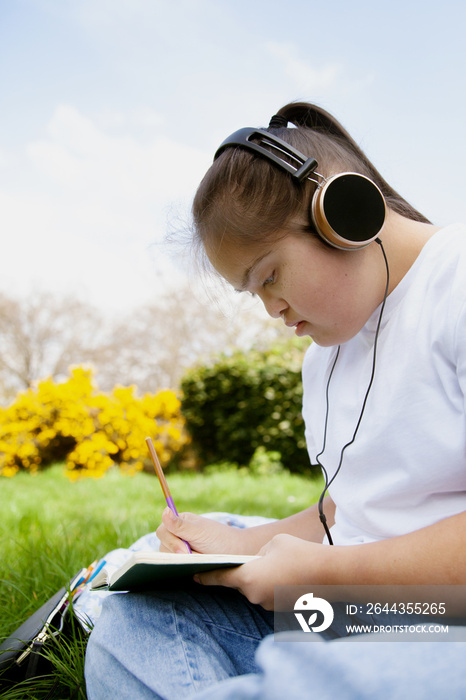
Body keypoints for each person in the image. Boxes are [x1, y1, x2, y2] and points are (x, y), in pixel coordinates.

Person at [84, 102, 466, 699]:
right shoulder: (328, 353)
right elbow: (344, 513)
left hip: (436, 616)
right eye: (251, 292)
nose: (271, 310)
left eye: (269, 276)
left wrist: (327, 575)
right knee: (131, 628)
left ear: (344, 213)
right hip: (351, 615)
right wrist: (238, 547)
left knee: (317, 680)